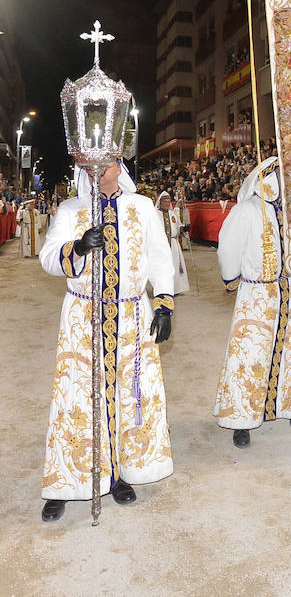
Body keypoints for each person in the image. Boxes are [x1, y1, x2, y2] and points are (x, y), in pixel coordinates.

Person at [39, 160, 175, 521]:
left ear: (119, 167)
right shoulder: (71, 209)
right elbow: (48, 258)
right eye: (88, 164)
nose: (96, 169)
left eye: (105, 163)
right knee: (78, 397)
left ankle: (118, 474)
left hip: (131, 315)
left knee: (129, 395)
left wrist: (163, 305)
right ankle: (67, 482)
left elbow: (161, 259)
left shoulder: (143, 207)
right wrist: (79, 248)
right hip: (84, 315)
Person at [214, 156, 291, 447]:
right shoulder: (248, 210)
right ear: (266, 177)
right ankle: (241, 419)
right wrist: (232, 277)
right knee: (249, 354)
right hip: (257, 294)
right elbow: (228, 247)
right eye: (281, 174)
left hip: (289, 293)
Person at [156, 191, 190, 294]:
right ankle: (162, 289)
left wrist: (184, 229)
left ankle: (175, 289)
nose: (167, 203)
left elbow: (178, 226)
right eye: (164, 201)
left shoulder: (173, 214)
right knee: (162, 267)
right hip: (161, 245)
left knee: (175, 265)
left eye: (168, 201)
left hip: (174, 244)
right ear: (160, 202)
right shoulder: (155, 214)